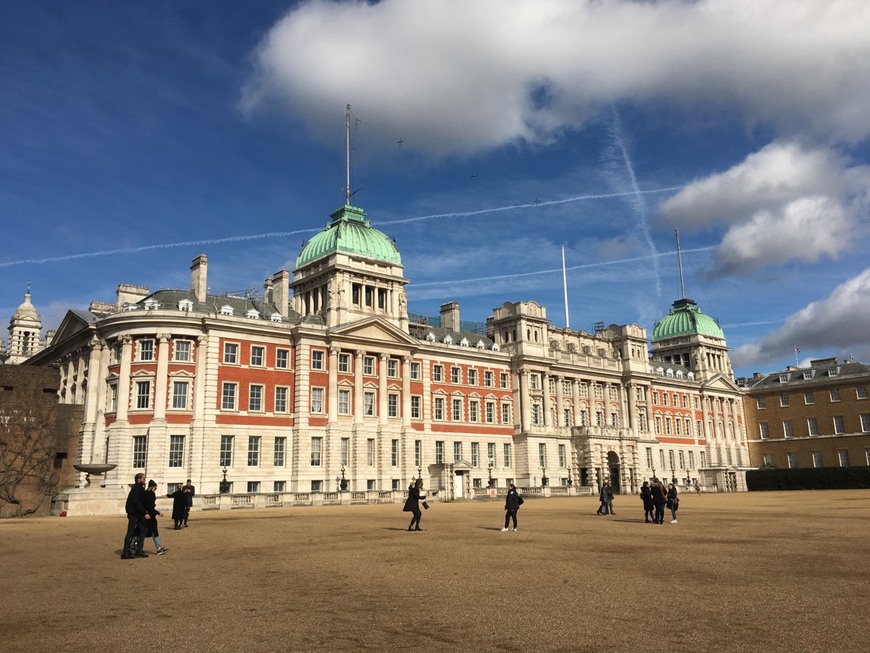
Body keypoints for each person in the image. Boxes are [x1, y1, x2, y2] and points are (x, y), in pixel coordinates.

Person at [121, 473, 151, 559]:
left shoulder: (139, 489)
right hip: (134, 513)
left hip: (137, 513)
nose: (144, 480)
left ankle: (138, 550)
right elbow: (136, 503)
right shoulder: (136, 489)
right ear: (138, 479)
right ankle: (125, 552)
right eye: (143, 479)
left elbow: (142, 502)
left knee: (144, 529)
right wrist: (144, 513)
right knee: (130, 532)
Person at [143, 480, 168, 555]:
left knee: (144, 532)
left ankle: (158, 548)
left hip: (146, 514)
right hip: (150, 515)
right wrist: (157, 513)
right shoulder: (151, 494)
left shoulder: (145, 493)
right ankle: (158, 548)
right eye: (155, 488)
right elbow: (150, 507)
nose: (155, 490)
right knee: (152, 532)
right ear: (152, 487)